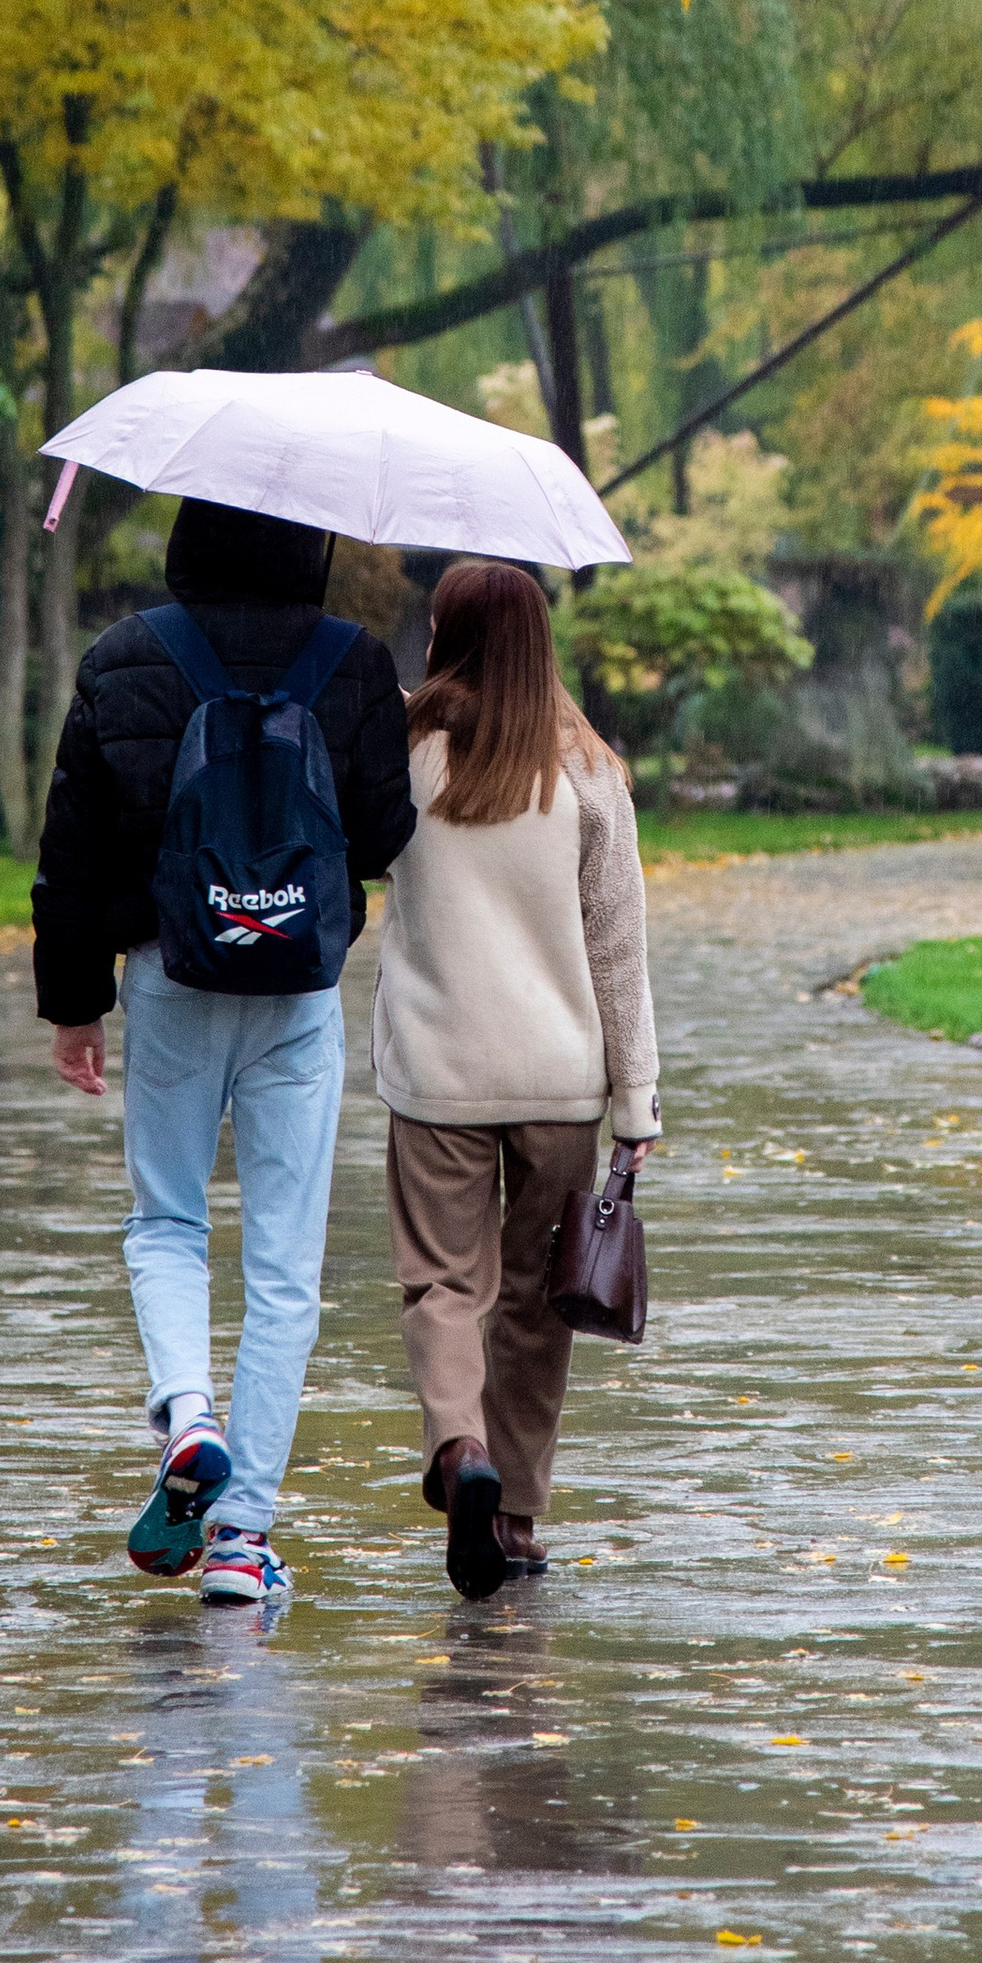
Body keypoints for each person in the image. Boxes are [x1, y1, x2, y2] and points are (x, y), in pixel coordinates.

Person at [34, 500, 414, 1609]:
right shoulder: (352, 661)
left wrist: (74, 1001)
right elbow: (388, 833)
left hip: (168, 976)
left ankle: (185, 1413)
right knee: (286, 1266)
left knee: (166, 1218)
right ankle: (242, 1541)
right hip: (297, 987)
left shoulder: (124, 656)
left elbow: (72, 846)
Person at [374, 558, 658, 1601]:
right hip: (559, 1078)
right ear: (541, 640)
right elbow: (618, 951)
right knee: (538, 1302)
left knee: (445, 1285)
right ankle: (521, 1515)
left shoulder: (404, 751)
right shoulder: (589, 770)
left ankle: (460, 1451)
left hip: (438, 1071)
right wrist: (637, 1103)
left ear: (442, 633)